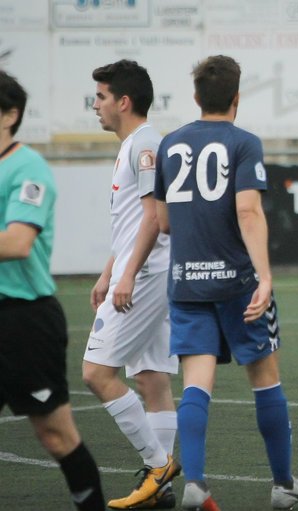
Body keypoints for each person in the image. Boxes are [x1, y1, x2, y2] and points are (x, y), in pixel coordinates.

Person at [153, 55, 298, 509]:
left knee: (196, 383)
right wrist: (264, 276)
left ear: (196, 97)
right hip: (238, 282)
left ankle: (196, 482)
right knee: (264, 378)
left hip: (186, 282)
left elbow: (163, 221)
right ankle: (283, 486)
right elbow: (247, 210)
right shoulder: (243, 143)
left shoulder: (171, 143)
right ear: (237, 97)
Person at [0, 70, 106, 511]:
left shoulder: (28, 168)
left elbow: (18, 243)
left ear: (10, 115)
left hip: (23, 321)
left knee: (55, 434)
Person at [83, 59, 181, 510]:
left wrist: (125, 274)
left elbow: (151, 219)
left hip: (144, 276)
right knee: (150, 378)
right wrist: (109, 271)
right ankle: (160, 485)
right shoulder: (134, 146)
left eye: (100, 97)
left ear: (123, 102)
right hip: (142, 271)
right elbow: (129, 225)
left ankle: (157, 464)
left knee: (96, 373)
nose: (95, 105)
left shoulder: (146, 147)